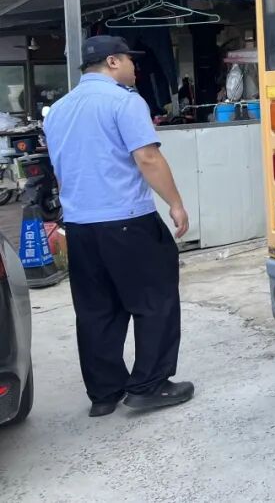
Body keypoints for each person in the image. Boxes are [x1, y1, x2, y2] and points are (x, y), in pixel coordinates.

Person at [43, 35, 195, 417]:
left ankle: (105, 393)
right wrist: (175, 203)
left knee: (96, 311)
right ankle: (149, 385)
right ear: (112, 62)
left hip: (80, 226)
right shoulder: (124, 101)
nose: (134, 67)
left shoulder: (59, 110)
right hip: (127, 221)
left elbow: (61, 168)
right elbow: (146, 157)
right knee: (155, 300)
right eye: (130, 60)